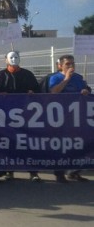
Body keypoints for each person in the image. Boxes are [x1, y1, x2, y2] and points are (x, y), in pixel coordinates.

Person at [0, 51, 42, 182]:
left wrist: (33, 92)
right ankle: (10, 171)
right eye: (11, 57)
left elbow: (37, 90)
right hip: (7, 115)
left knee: (27, 143)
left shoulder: (28, 74)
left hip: (26, 114)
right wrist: (0, 93)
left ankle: (33, 172)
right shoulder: (1, 75)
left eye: (16, 57)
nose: (14, 59)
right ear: (6, 60)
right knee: (9, 142)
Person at [49, 55, 91, 183]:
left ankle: (74, 172)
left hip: (77, 117)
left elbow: (86, 90)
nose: (71, 66)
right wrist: (66, 79)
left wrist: (86, 91)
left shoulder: (78, 78)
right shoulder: (55, 77)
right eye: (67, 64)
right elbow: (54, 92)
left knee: (79, 144)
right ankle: (59, 173)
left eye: (72, 63)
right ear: (60, 66)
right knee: (61, 145)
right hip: (61, 118)